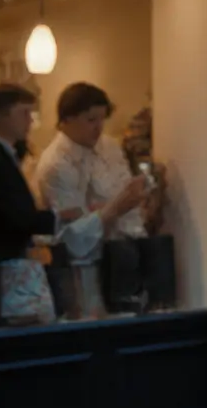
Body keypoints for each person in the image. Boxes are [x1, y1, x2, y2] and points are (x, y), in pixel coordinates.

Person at [34, 82, 148, 318]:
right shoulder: (55, 164)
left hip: (123, 253)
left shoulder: (109, 146)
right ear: (66, 120)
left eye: (102, 119)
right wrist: (113, 208)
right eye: (90, 120)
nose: (98, 128)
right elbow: (73, 230)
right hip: (81, 269)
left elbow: (126, 191)